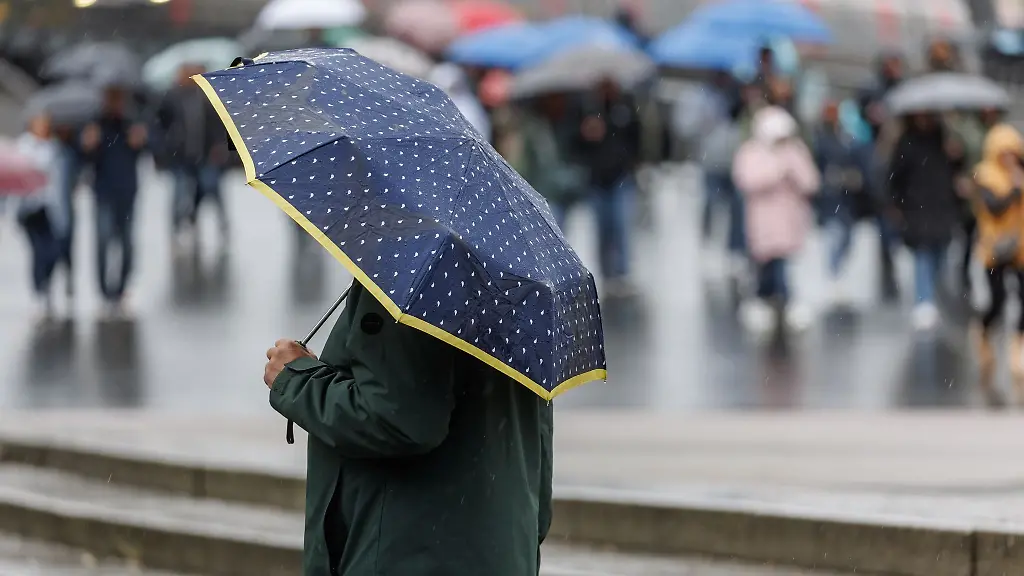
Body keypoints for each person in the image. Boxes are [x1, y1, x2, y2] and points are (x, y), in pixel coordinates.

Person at [262, 280, 553, 576]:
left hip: (408, 551)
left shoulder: (408, 275)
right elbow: (536, 440)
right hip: (501, 547)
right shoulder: (520, 282)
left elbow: (397, 418)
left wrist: (298, 380)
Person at [732, 106, 820, 334]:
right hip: (763, 221)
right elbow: (747, 181)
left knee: (782, 264)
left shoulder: (796, 151)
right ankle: (766, 301)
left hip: (790, 220)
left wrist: (794, 169)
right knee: (766, 266)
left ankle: (783, 302)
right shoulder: (751, 152)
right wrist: (777, 171)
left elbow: (811, 182)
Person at [887, 112, 963, 330]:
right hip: (917, 207)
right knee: (923, 253)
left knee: (939, 253)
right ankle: (924, 300)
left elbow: (955, 171)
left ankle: (931, 297)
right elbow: (895, 175)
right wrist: (895, 203)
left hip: (941, 206)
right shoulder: (907, 142)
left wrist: (957, 156)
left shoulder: (944, 140)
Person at [81, 85, 148, 314]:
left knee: (127, 244)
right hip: (103, 191)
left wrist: (139, 142)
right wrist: (89, 145)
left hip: (127, 190)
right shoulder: (95, 123)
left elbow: (147, 149)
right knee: (103, 240)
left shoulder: (132, 122)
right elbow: (87, 158)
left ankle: (120, 291)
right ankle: (104, 293)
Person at [573, 77, 642, 295]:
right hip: (596, 178)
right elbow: (575, 143)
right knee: (603, 227)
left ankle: (621, 271)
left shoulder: (625, 106)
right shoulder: (586, 107)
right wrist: (586, 134)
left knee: (620, 223)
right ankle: (607, 272)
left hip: (620, 176)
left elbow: (636, 137)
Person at [157, 63, 230, 247]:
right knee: (180, 193)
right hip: (180, 156)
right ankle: (177, 226)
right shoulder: (172, 96)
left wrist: (219, 145)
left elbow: (217, 124)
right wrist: (165, 147)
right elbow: (160, 123)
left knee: (209, 188)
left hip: (204, 155)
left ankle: (216, 223)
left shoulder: (207, 97)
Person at [972, 124, 1024, 379]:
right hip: (996, 248)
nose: (1008, 158)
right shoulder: (985, 175)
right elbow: (993, 208)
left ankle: (1018, 348)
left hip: (1022, 247)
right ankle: (983, 333)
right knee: (997, 299)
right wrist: (1014, 192)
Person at [813, 99, 865, 305]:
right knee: (835, 236)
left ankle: (839, 271)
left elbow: (858, 161)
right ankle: (834, 274)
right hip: (830, 198)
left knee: (848, 238)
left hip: (847, 199)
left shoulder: (848, 139)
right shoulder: (821, 140)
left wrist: (853, 177)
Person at [15, 111, 65, 317]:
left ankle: (46, 285)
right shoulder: (23, 146)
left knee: (52, 251)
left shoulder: (53, 147)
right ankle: (38, 291)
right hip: (28, 208)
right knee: (38, 251)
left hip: (48, 206)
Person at [516, 93, 586, 232]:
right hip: (545, 193)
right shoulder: (535, 128)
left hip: (567, 193)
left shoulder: (571, 124)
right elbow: (527, 162)